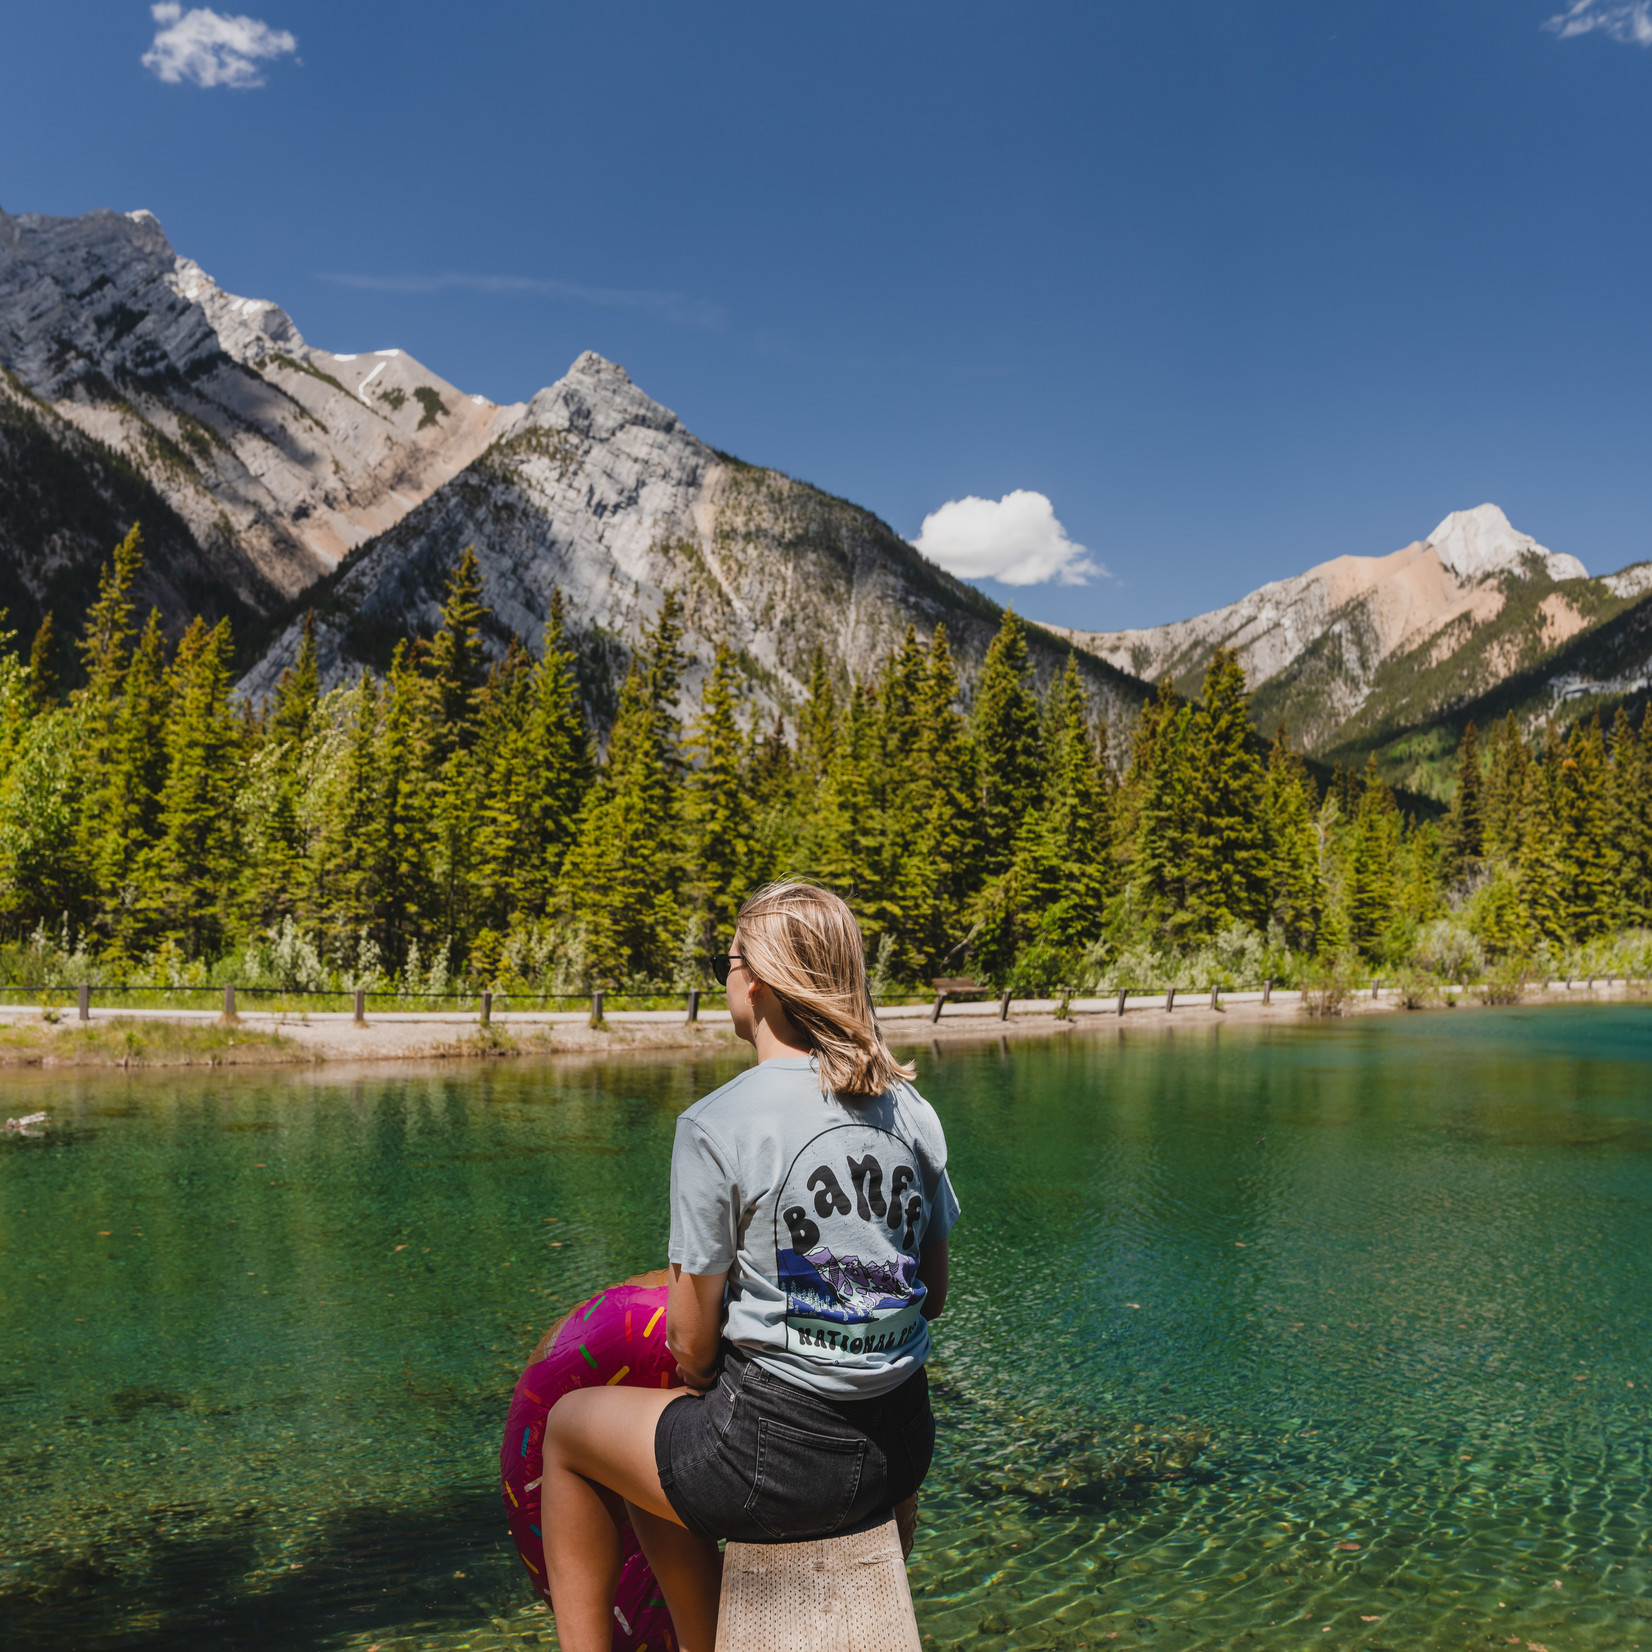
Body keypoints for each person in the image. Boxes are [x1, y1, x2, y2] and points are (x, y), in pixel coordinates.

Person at [540, 881, 960, 1652]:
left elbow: (693, 1350)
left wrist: (715, 1367)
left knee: (572, 1434)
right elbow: (928, 1295)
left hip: (779, 1465)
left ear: (757, 983)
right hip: (902, 1448)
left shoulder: (716, 1122)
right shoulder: (911, 1110)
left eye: (723, 962)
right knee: (659, 1443)